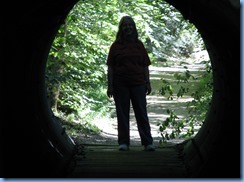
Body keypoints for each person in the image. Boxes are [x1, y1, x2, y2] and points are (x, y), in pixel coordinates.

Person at [106, 15, 155, 151]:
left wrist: (148, 83)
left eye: (130, 25)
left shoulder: (139, 45)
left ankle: (147, 142)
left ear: (134, 27)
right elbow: (110, 66)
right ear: (121, 28)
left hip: (138, 83)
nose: (128, 28)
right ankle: (124, 143)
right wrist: (110, 86)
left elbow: (145, 65)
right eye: (125, 25)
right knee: (122, 114)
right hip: (120, 84)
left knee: (141, 112)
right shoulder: (115, 46)